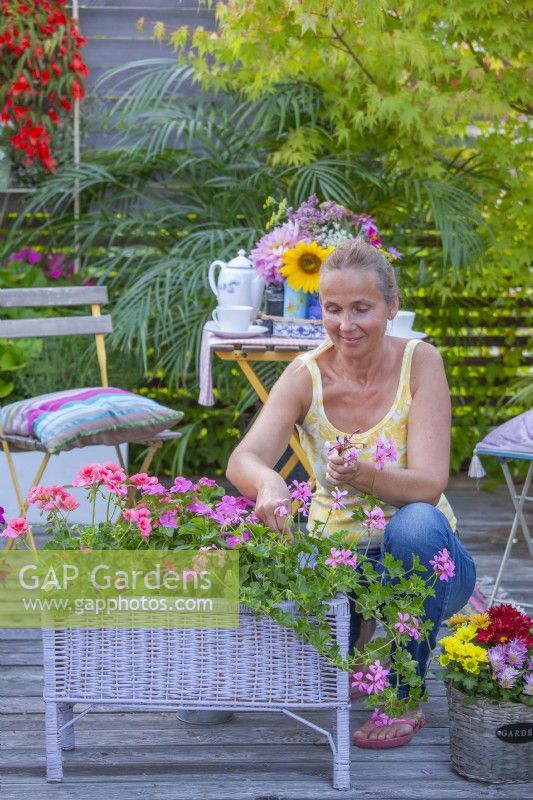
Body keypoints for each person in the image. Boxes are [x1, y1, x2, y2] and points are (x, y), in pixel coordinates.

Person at [226, 238, 476, 749]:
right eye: (333, 309)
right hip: (342, 567)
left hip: (431, 563)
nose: (346, 324)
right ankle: (365, 628)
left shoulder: (420, 362)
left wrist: (362, 475)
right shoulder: (305, 375)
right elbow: (242, 460)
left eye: (362, 308)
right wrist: (270, 482)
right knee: (326, 653)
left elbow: (430, 484)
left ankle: (404, 693)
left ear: (391, 307)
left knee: (415, 525)